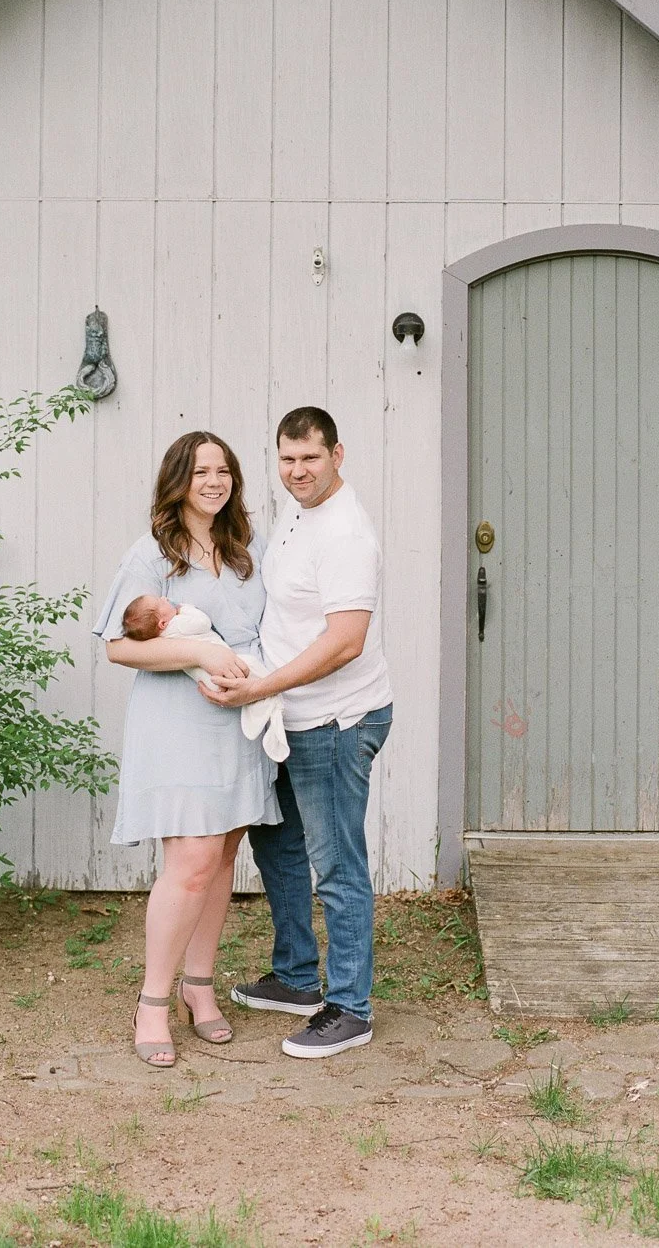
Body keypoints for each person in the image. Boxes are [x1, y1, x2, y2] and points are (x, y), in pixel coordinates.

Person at [197, 407, 393, 1058]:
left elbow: (344, 642)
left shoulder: (345, 535)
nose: (296, 471)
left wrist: (259, 687)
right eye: (285, 458)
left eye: (309, 458)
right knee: (277, 845)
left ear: (337, 454)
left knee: (336, 865)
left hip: (336, 719)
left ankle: (349, 1008)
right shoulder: (296, 513)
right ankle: (295, 978)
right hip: (289, 713)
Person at [95, 432, 281, 1067]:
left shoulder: (243, 550)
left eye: (223, 470)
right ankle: (152, 1001)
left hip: (240, 722)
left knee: (225, 854)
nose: (214, 480)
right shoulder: (152, 555)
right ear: (178, 480)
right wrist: (200, 652)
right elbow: (119, 646)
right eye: (201, 471)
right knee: (191, 862)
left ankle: (199, 988)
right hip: (180, 726)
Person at [121, 595, 289, 760]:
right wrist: (184, 608)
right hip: (223, 670)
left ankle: (259, 715)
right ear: (163, 623)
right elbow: (203, 623)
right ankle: (271, 701)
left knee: (250, 690)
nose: (164, 598)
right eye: (160, 602)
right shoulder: (179, 624)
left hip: (210, 681)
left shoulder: (163, 636)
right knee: (253, 667)